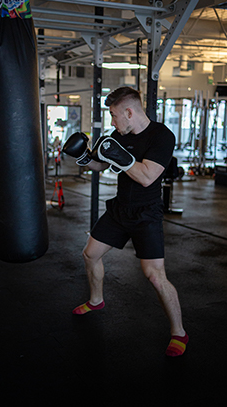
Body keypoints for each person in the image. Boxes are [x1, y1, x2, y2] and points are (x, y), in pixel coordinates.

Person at [62, 86, 188, 357]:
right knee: (90, 254)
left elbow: (146, 176)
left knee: (155, 276)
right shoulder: (117, 136)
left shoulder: (162, 136)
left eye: (114, 115)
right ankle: (96, 300)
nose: (112, 122)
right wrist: (84, 157)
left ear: (129, 112)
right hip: (120, 209)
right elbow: (100, 165)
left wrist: (120, 155)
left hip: (147, 213)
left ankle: (179, 331)